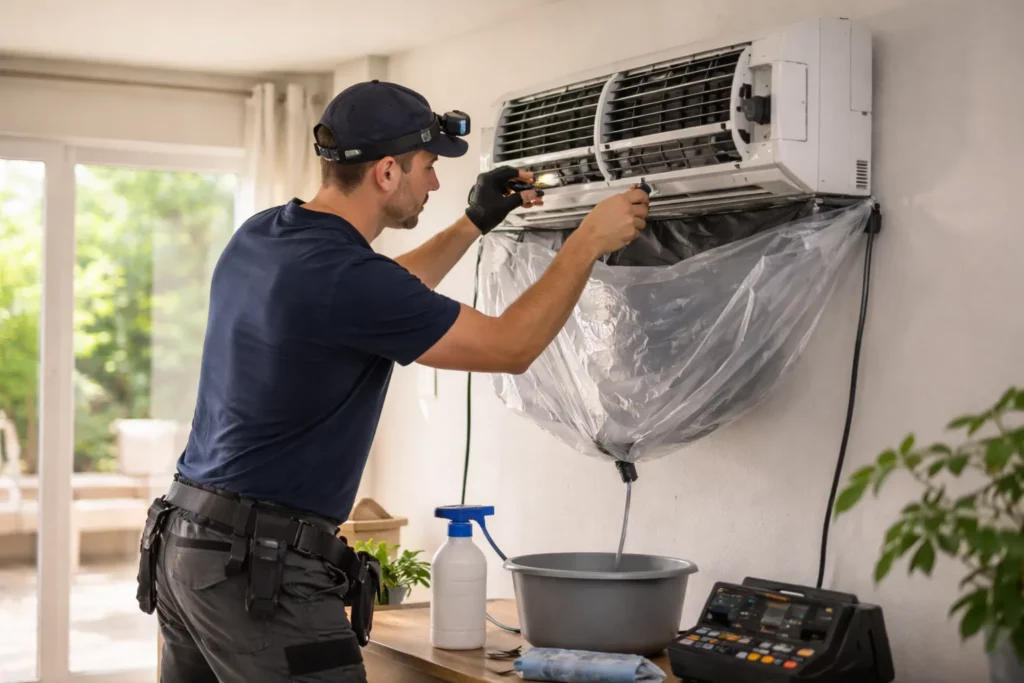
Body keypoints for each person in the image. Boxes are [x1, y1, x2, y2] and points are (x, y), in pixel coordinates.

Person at [138, 80, 649, 683]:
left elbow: (383, 290)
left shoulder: (267, 234)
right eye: (428, 167)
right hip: (258, 574)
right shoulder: (349, 279)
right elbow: (511, 346)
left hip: (188, 550)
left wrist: (474, 222)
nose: (434, 183)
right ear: (386, 173)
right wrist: (587, 241)